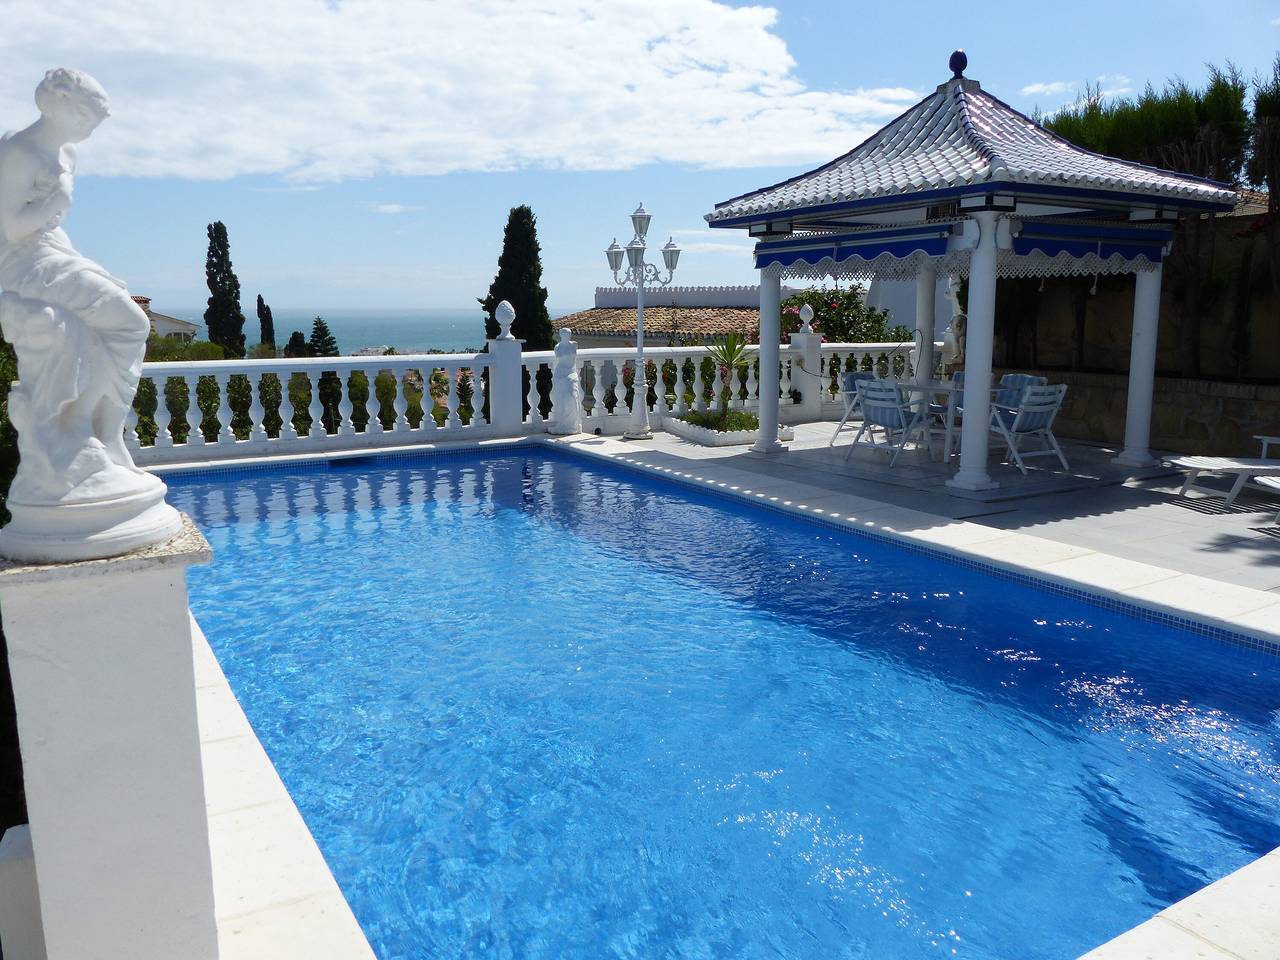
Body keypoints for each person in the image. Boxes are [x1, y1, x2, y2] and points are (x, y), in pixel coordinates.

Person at [0, 68, 158, 504]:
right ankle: (87, 424)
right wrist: (57, 201)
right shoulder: (18, 152)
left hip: (52, 253)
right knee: (130, 324)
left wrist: (84, 264)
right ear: (59, 105)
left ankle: (101, 433)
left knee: (118, 322)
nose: (91, 127)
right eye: (87, 115)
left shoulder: (67, 154)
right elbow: (13, 229)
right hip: (22, 264)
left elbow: (50, 230)